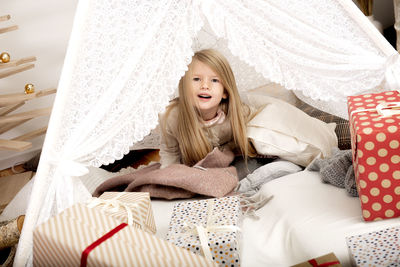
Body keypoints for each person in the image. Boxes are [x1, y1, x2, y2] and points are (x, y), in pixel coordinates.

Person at [159, 49, 257, 168]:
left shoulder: (237, 113)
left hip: (227, 161)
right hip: (189, 166)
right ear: (184, 88)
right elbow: (170, 152)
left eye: (214, 80)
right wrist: (170, 178)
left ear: (225, 92)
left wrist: (225, 150)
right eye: (196, 79)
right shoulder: (171, 117)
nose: (205, 86)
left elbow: (257, 124)